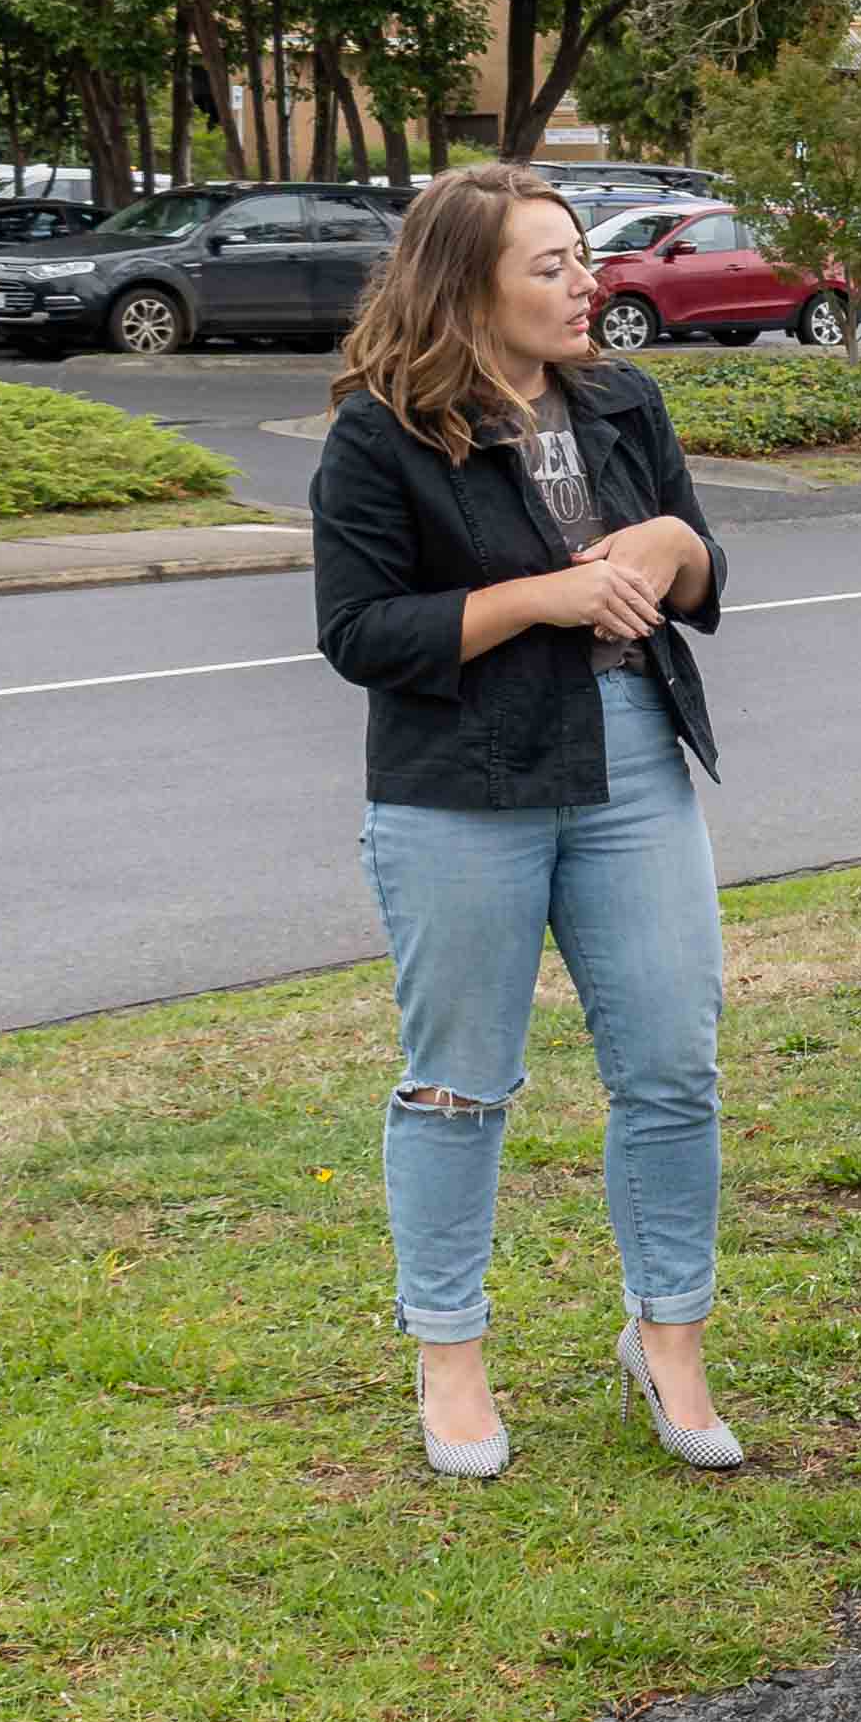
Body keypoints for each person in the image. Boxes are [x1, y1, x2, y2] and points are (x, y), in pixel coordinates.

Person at [310, 162, 740, 1481]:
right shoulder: (381, 433)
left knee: (672, 1061)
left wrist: (671, 545)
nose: (584, 282)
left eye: (581, 257)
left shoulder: (621, 400)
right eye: (547, 265)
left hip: (631, 758)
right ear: (464, 287)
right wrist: (539, 599)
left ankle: (667, 1335)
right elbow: (359, 631)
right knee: (457, 1082)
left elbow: (704, 568)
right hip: (460, 782)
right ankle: (450, 1353)